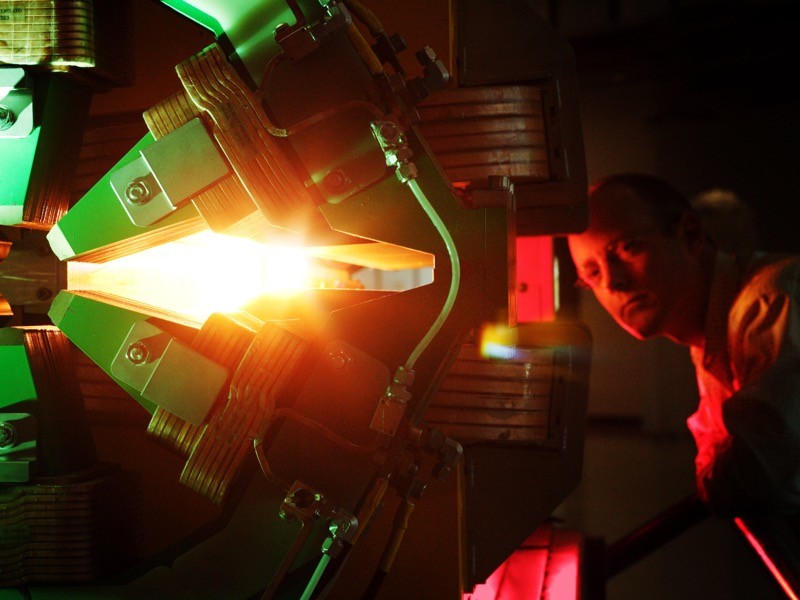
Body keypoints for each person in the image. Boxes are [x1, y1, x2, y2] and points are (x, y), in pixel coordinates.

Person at [567, 173, 800, 517]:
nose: (613, 282)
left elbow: (751, 477)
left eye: (627, 248)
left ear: (689, 234)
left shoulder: (771, 300)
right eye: (593, 274)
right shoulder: (709, 336)